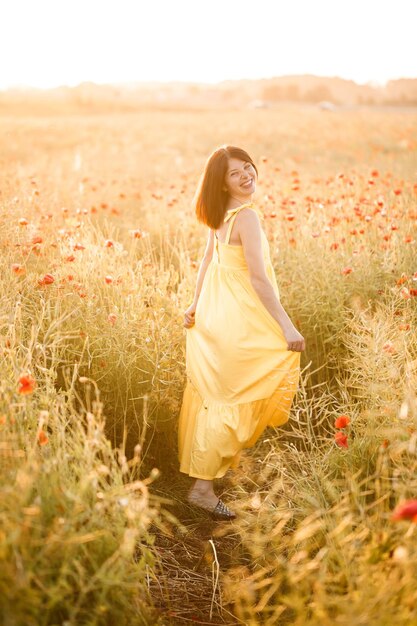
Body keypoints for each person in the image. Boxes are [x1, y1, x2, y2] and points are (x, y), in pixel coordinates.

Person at [178, 145, 305, 521]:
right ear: (222, 183)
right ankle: (201, 489)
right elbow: (259, 280)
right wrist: (287, 325)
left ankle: (208, 474)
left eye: (249, 167)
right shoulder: (246, 217)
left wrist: (196, 305)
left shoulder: (221, 214)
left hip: (219, 313)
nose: (247, 175)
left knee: (220, 392)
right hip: (239, 316)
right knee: (238, 391)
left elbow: (207, 261)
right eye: (236, 173)